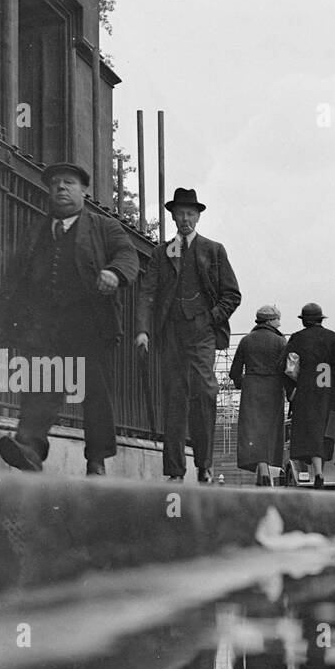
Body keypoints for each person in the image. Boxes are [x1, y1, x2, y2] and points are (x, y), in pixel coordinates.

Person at [0, 162, 139, 476]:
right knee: (39, 386)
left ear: (84, 190)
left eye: (69, 182)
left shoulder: (104, 227)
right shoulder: (35, 230)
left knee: (94, 394)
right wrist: (1, 318)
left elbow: (128, 256)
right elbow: (14, 278)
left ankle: (96, 460)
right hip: (45, 328)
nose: (61, 188)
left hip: (89, 326)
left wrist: (115, 273)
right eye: (56, 183)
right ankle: (30, 448)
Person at [134, 186, 241, 482]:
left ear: (198, 217)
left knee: (205, 393)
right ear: (173, 217)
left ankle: (205, 465)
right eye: (180, 213)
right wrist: (142, 330)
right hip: (171, 335)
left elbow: (232, 294)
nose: (185, 219)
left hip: (202, 334)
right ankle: (175, 471)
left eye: (190, 213)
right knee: (174, 398)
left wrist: (211, 319)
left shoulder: (213, 250)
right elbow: (147, 293)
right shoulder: (161, 252)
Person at [283, 303, 335, 488]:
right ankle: (320, 470)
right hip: (329, 393)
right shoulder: (334, 339)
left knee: (310, 433)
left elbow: (287, 367)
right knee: (326, 433)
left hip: (305, 393)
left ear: (304, 321)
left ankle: (317, 471)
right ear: (321, 319)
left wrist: (291, 391)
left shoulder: (297, 339)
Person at [229, 303, 288, 473]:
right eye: (278, 319)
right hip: (274, 389)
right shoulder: (280, 341)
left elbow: (235, 371)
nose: (279, 323)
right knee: (271, 429)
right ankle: (266, 468)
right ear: (270, 321)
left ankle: (260, 469)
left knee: (253, 430)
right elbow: (287, 370)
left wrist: (242, 383)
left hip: (252, 389)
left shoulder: (246, 340)